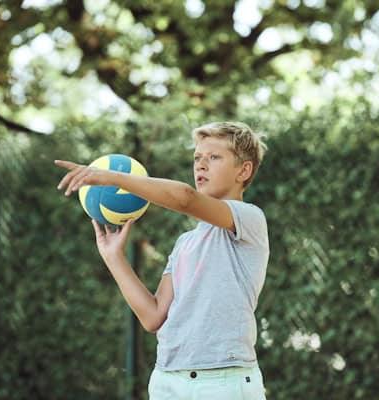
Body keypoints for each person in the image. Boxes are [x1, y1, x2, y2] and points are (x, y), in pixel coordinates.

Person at [55, 121, 269, 400]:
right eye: (197, 158)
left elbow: (184, 198)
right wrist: (114, 258)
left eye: (214, 157)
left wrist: (111, 178)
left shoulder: (249, 219)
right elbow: (153, 316)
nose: (201, 165)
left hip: (222, 380)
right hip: (168, 379)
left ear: (244, 170)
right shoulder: (185, 244)